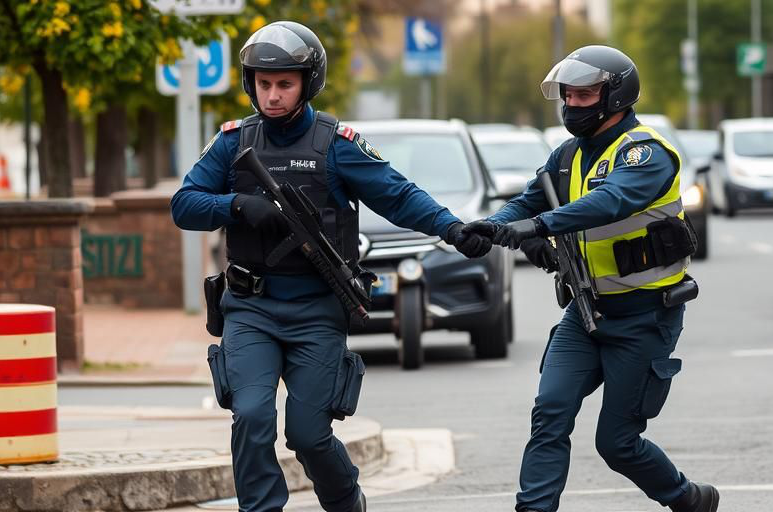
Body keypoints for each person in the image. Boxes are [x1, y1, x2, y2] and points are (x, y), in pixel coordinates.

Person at [170, 21, 490, 512]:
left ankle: (346, 502)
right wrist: (235, 205)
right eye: (263, 83)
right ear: (250, 82)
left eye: (285, 84)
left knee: (308, 435)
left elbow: (398, 195)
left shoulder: (337, 143)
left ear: (308, 82)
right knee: (252, 417)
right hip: (251, 308)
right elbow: (184, 204)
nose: (272, 95)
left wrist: (451, 228)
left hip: (317, 309)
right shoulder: (233, 142)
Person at [463, 45, 719, 512]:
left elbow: (610, 202)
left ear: (615, 96)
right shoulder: (565, 156)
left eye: (583, 96)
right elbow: (526, 203)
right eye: (567, 96)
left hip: (645, 317)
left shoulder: (647, 153)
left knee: (616, 442)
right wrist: (492, 227)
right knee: (549, 413)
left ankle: (686, 499)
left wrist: (539, 228)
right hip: (583, 313)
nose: (572, 106)